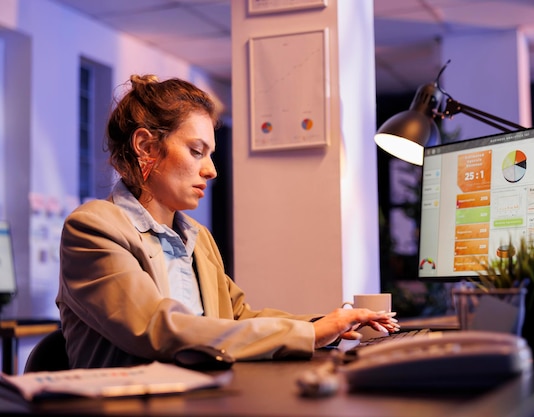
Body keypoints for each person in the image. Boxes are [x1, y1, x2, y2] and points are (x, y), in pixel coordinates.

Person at [56, 74, 399, 369]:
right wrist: (309, 334)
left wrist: (324, 325)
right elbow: (157, 329)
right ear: (146, 145)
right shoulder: (92, 228)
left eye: (210, 154)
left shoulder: (197, 237)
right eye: (196, 151)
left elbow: (236, 319)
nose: (211, 170)